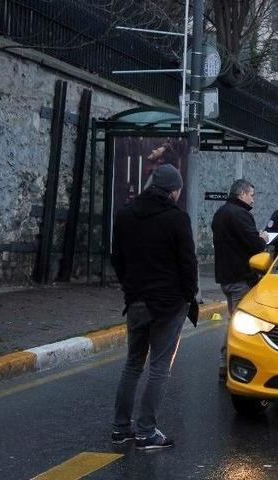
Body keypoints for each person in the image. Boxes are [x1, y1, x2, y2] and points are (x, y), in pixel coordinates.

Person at [110, 164, 198, 450]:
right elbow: (188, 262)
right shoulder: (177, 219)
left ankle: (121, 428)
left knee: (133, 363)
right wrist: (188, 295)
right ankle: (147, 432)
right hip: (169, 304)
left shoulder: (125, 216)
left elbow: (117, 258)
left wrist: (129, 288)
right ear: (174, 190)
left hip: (136, 301)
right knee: (159, 366)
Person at [212, 179, 269, 379]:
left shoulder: (220, 213)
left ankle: (226, 362)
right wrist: (263, 238)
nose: (253, 200)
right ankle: (230, 365)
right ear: (242, 194)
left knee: (233, 319)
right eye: (251, 195)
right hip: (241, 277)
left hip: (225, 276)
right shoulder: (241, 215)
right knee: (239, 324)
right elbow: (255, 245)